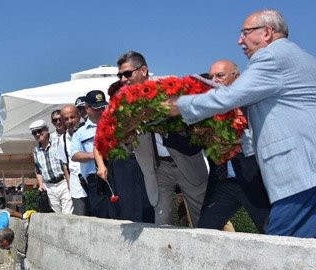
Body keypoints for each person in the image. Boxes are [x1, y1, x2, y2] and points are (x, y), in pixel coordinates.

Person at [165, 9, 316, 238]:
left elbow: (230, 97)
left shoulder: (272, 57)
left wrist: (178, 105)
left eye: (245, 33)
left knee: (277, 254)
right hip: (307, 173)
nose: (239, 40)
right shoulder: (301, 56)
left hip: (298, 175)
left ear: (267, 32)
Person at [117, 51, 208, 226]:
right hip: (157, 169)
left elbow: (195, 121)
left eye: (127, 73)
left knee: (202, 219)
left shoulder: (169, 88)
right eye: (120, 75)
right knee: (161, 222)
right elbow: (126, 144)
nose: (123, 79)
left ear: (143, 70)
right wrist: (126, 140)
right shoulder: (124, 104)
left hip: (186, 161)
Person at [198, 60, 270, 233]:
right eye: (211, 76)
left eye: (220, 76)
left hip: (253, 180)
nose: (214, 80)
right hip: (222, 183)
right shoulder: (207, 108)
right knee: (203, 233)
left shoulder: (252, 103)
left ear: (236, 77)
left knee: (272, 233)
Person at [93, 80, 154, 223]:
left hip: (143, 162)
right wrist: (101, 166)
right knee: (127, 207)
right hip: (121, 165)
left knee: (147, 204)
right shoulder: (109, 118)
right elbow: (97, 145)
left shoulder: (143, 112)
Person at [71, 90, 116, 219]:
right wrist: (96, 155)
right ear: (87, 108)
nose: (101, 111)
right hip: (94, 178)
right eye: (97, 108)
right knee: (100, 214)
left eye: (103, 107)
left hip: (115, 172)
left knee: (118, 212)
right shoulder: (80, 132)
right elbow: (74, 155)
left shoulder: (114, 125)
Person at [31, 120, 73, 214]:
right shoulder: (36, 150)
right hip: (49, 186)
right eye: (34, 133)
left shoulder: (58, 141)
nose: (37, 134)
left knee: (67, 212)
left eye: (40, 131)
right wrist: (41, 184)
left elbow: (65, 163)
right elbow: (38, 170)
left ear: (46, 130)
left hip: (63, 181)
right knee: (57, 214)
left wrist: (69, 181)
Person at [57, 105, 90, 216]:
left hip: (93, 181)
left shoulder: (88, 131)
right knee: (81, 216)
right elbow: (65, 164)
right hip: (77, 184)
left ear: (79, 116)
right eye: (66, 119)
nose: (70, 121)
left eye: (72, 117)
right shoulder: (62, 139)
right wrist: (69, 182)